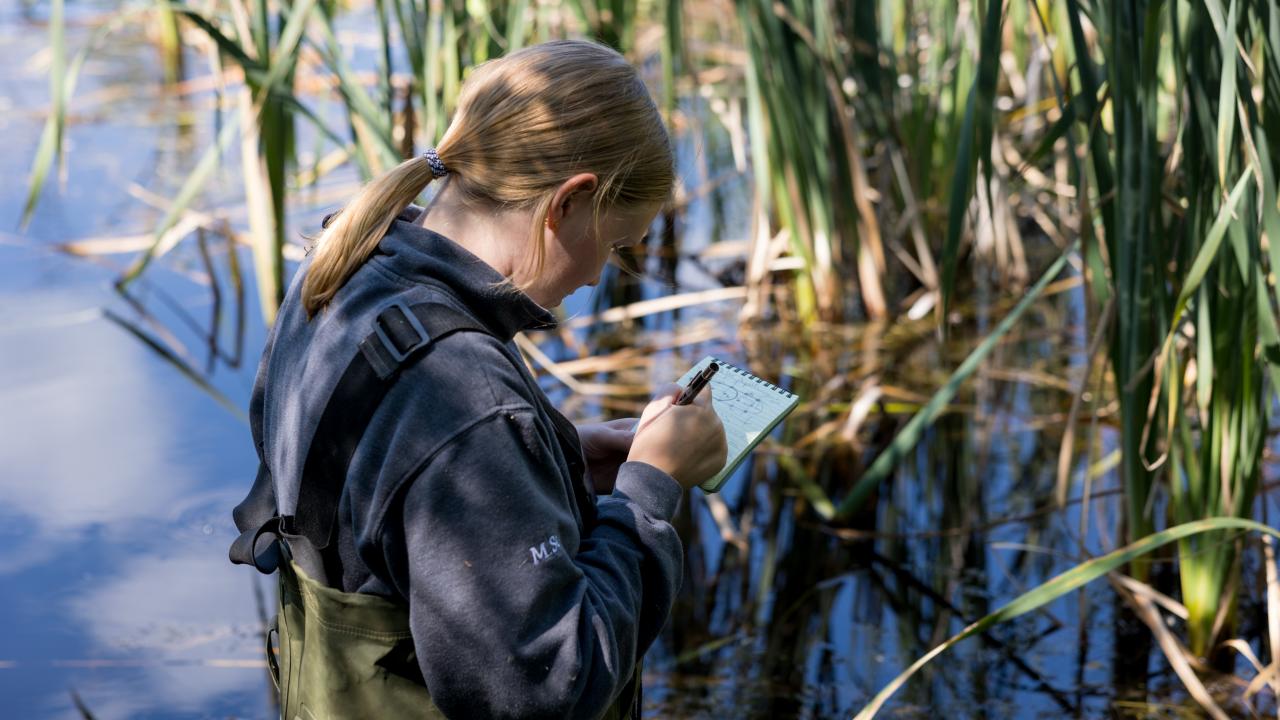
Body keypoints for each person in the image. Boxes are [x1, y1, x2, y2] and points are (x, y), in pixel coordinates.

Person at [228, 38, 729, 720]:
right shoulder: (469, 402)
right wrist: (649, 490)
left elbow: (374, 489)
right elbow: (547, 688)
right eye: (613, 245)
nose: (594, 275)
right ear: (569, 202)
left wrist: (556, 457)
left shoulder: (345, 272)